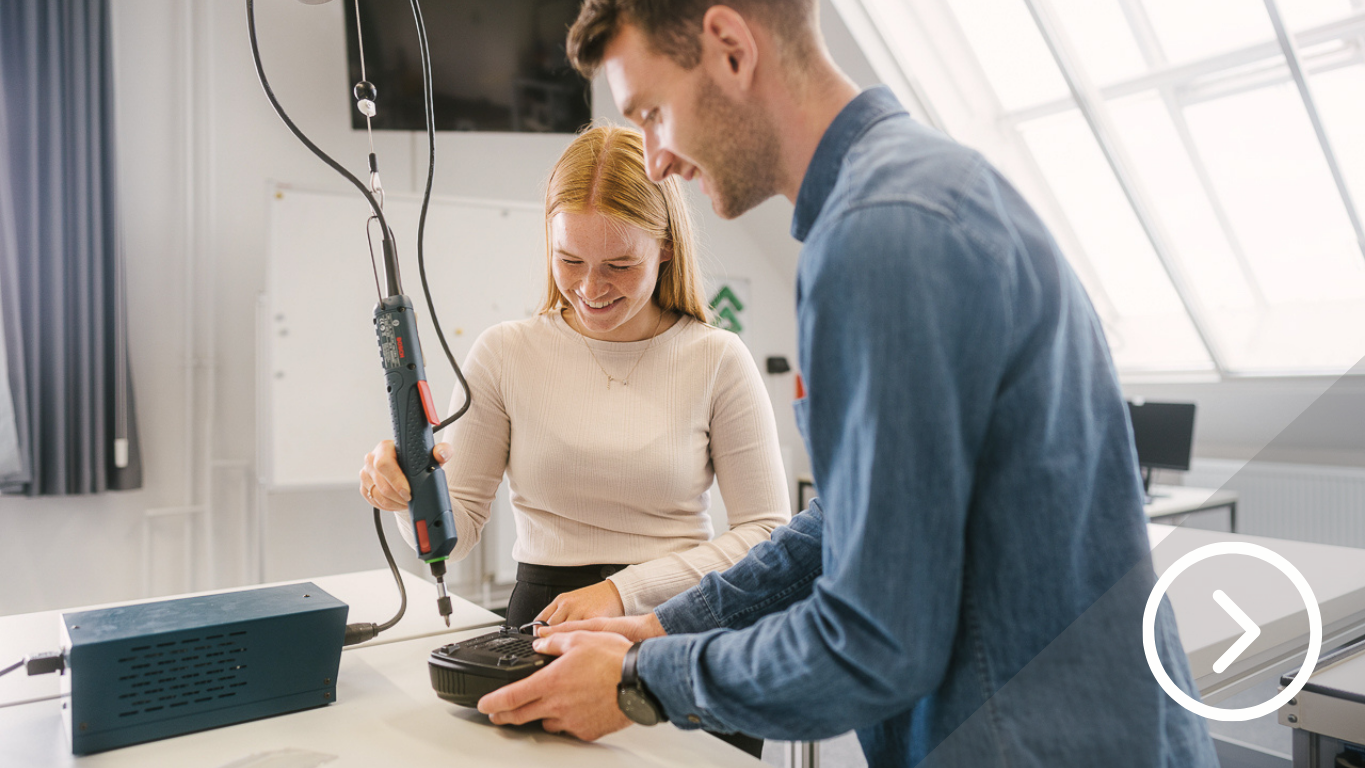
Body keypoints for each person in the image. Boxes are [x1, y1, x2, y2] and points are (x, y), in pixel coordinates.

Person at [475, 2, 1219, 766]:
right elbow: (846, 522)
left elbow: (875, 640)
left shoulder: (881, 235)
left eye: (654, 112)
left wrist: (641, 681)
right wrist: (663, 625)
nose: (656, 158)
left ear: (730, 48)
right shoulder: (929, 183)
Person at [357, 125, 791, 636]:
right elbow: (456, 533)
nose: (590, 288)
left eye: (620, 264)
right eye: (569, 260)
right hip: (544, 618)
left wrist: (619, 593)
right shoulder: (504, 353)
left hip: (675, 621)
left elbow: (765, 533)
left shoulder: (718, 358)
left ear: (667, 247)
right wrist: (408, 495)